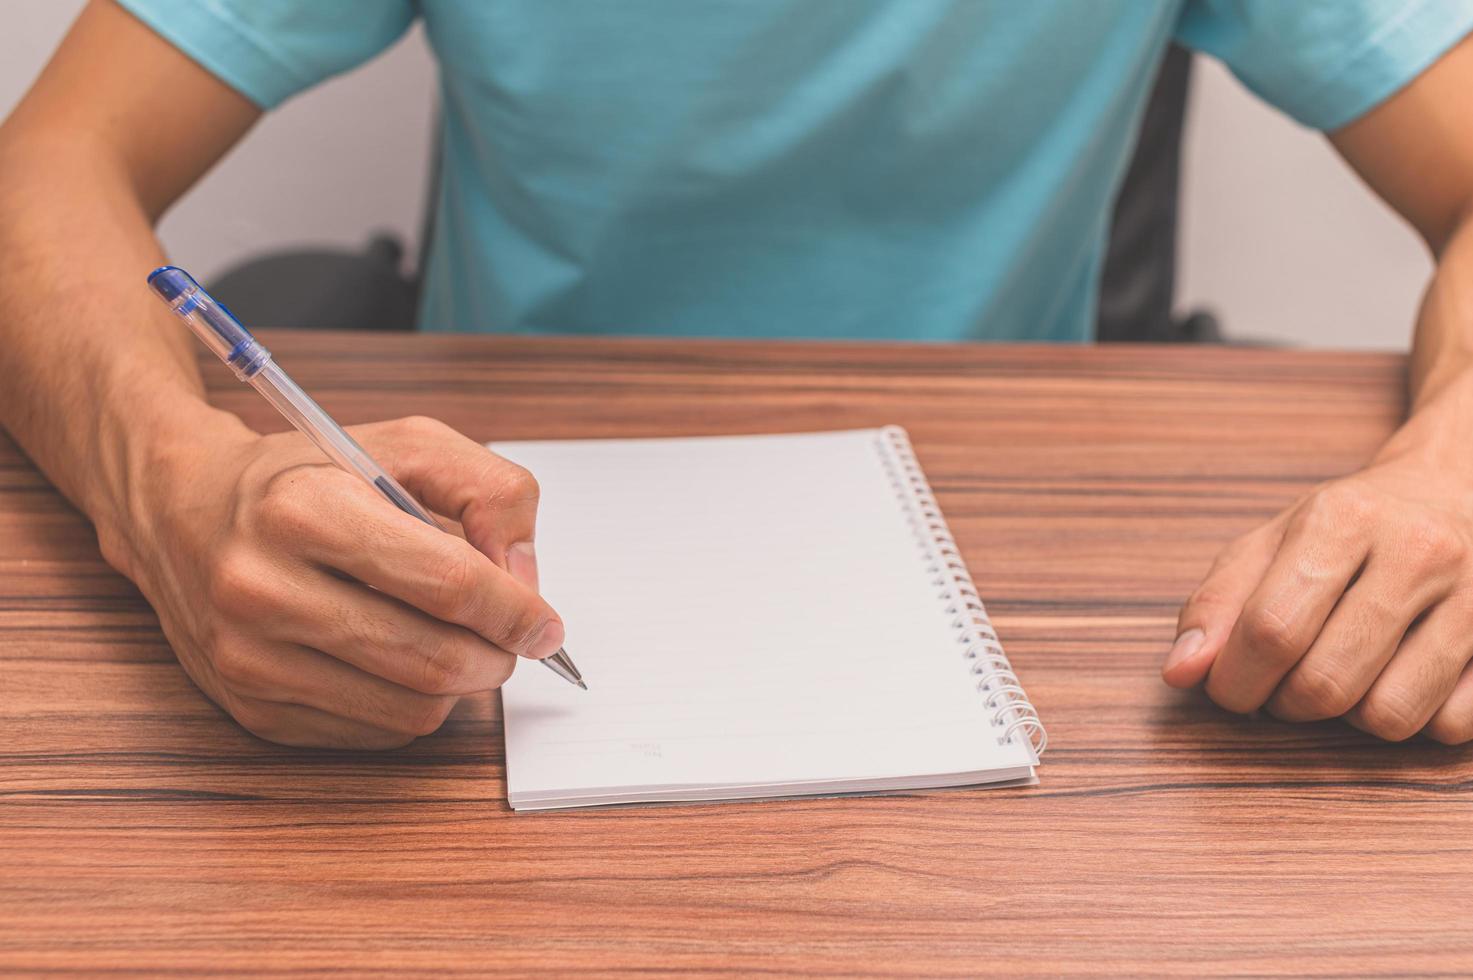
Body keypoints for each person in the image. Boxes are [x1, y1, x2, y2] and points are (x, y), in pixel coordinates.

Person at [2, 1, 1472, 749]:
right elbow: (46, 169)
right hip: (480, 552)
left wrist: (1450, 466)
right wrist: (169, 483)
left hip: (1007, 581)